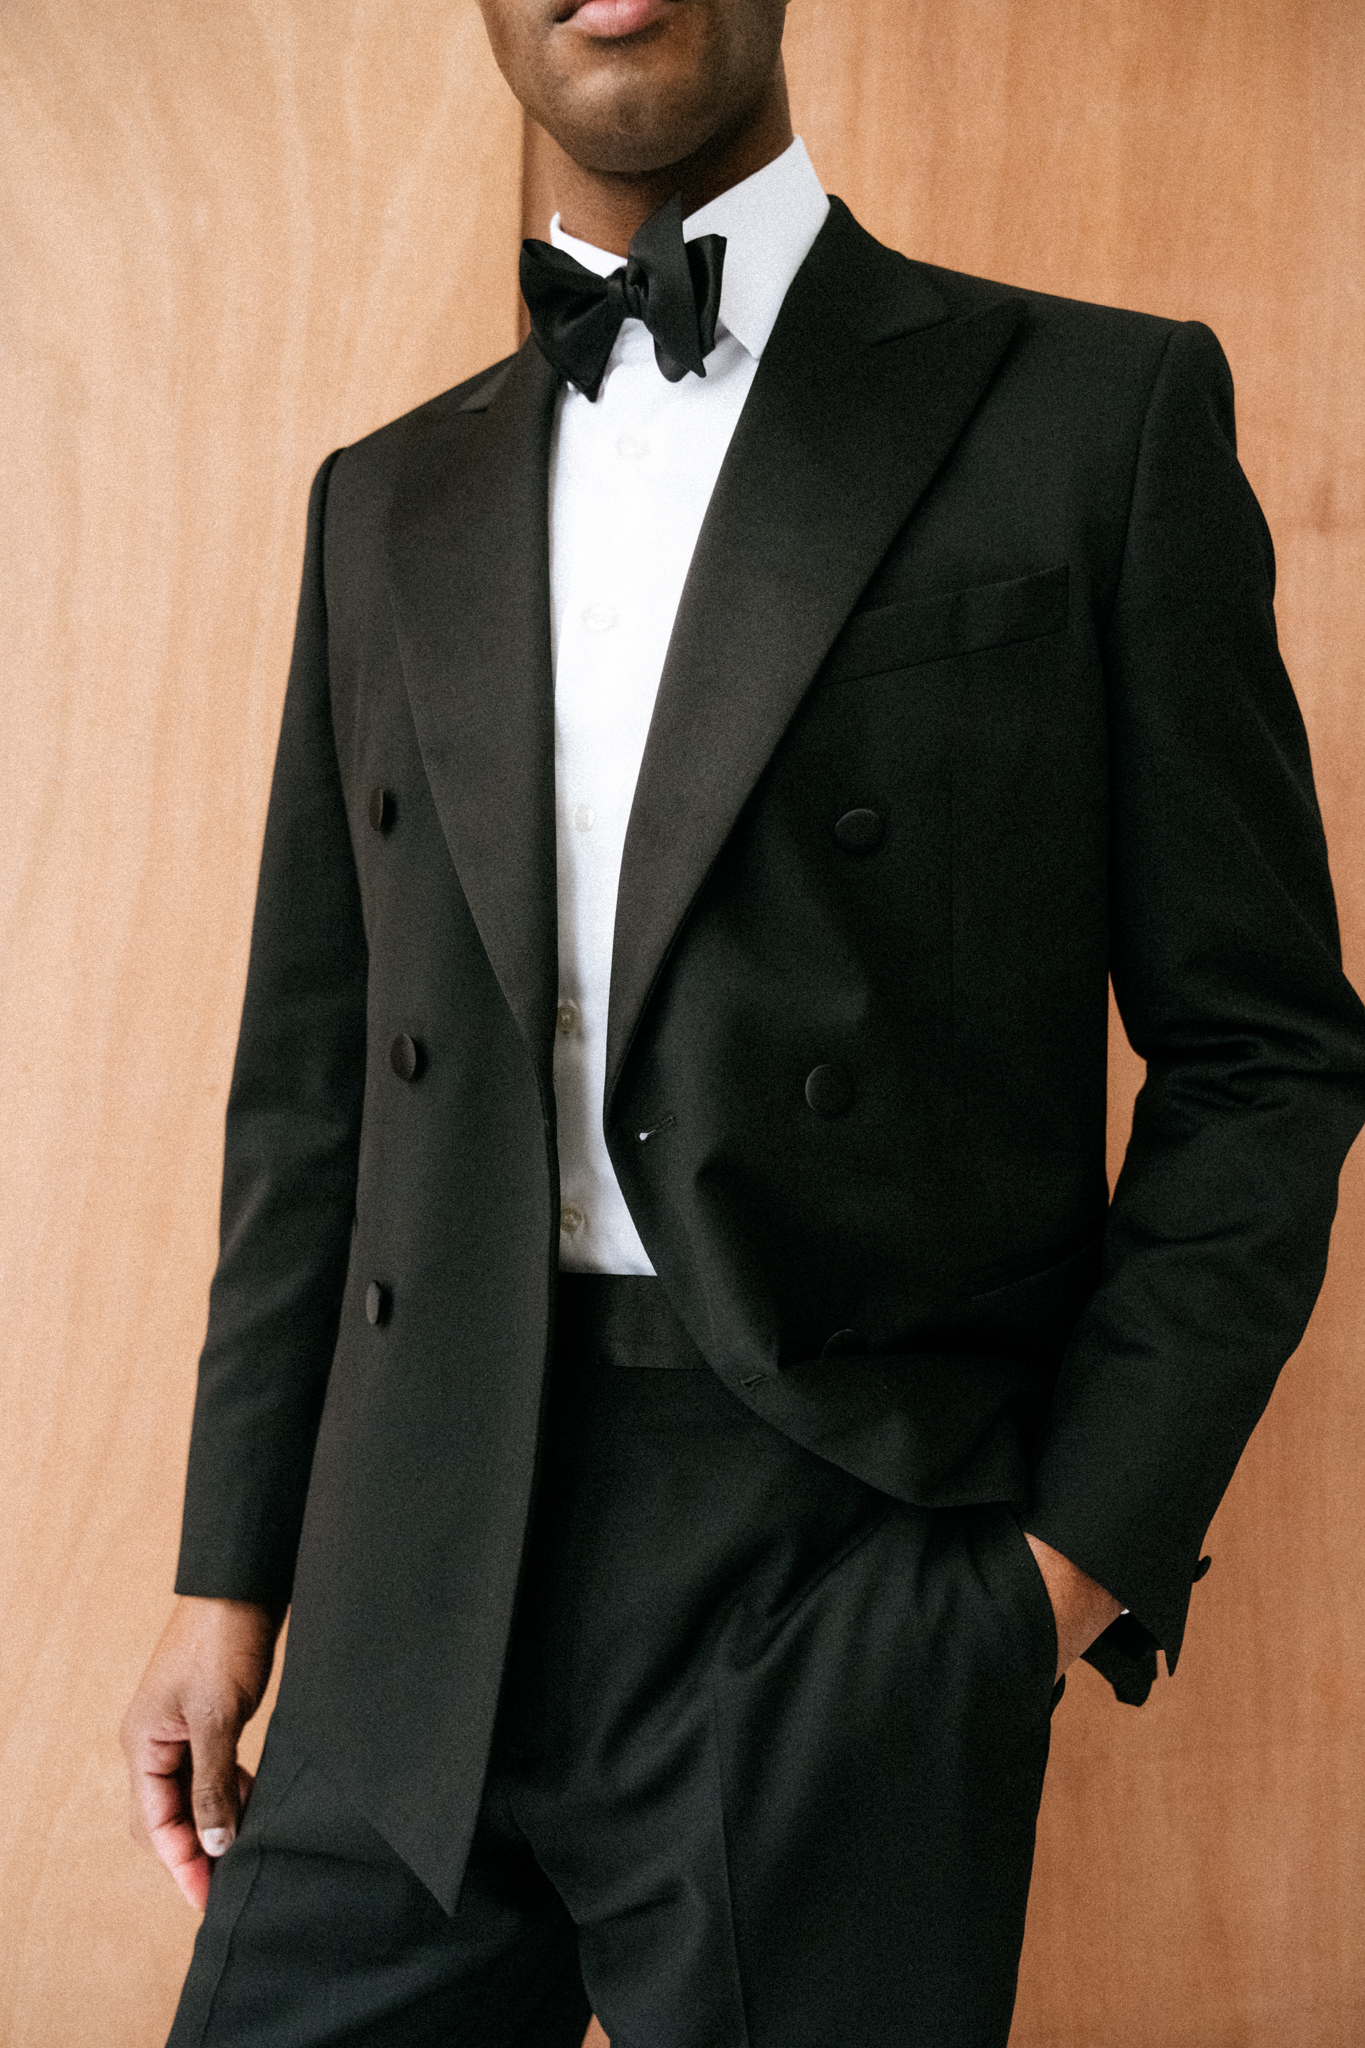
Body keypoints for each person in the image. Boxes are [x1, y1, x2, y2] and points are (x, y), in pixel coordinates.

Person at [121, 2, 1365, 2043]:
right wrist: (226, 1575)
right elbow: (316, 1097)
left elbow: (1262, 1053)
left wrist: (1048, 1576)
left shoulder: (1090, 414)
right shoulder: (380, 501)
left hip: (834, 1574)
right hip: (403, 1570)